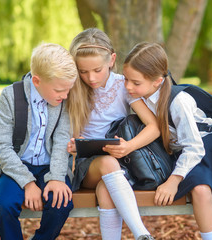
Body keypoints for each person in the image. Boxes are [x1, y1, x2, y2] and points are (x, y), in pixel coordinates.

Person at [122, 42, 212, 240]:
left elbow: (194, 146)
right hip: (185, 154)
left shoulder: (178, 101)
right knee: (200, 192)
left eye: (135, 82)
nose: (128, 86)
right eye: (126, 79)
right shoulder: (140, 97)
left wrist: (173, 181)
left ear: (157, 81)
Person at [66, 28, 157, 240]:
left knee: (106, 188)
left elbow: (154, 126)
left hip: (123, 162)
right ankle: (141, 233)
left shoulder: (123, 86)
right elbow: (65, 133)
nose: (90, 77)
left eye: (97, 70)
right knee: (108, 166)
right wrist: (71, 144)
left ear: (112, 60)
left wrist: (129, 146)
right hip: (88, 166)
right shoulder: (72, 88)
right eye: (83, 71)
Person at [0, 43, 78, 240]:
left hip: (49, 167)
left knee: (61, 203)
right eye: (60, 90)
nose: (65, 95)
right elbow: (1, 147)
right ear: (37, 81)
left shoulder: (63, 100)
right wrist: (28, 183)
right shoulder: (11, 96)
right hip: (16, 166)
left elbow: (61, 142)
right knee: (3, 205)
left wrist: (57, 178)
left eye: (68, 89)